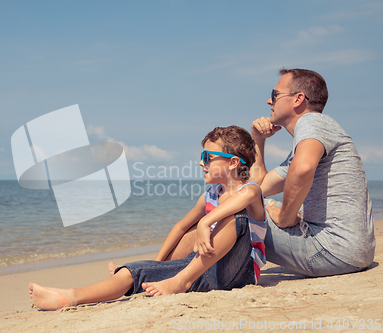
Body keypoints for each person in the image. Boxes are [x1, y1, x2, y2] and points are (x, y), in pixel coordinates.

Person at [29, 126, 266, 310]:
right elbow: (180, 226)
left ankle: (180, 282)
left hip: (238, 273)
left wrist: (205, 222)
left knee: (234, 218)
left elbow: (241, 203)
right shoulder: (210, 196)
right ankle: (70, 296)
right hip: (200, 268)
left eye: (208, 156)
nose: (201, 162)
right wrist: (157, 264)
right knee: (135, 271)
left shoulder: (251, 191)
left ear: (233, 163)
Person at [249, 68, 375, 277]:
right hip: (351, 251)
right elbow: (258, 187)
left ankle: (181, 272)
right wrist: (257, 139)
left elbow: (303, 168)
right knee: (248, 203)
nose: (269, 101)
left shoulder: (313, 122)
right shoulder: (308, 144)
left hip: (332, 251)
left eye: (275, 95)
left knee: (229, 208)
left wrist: (284, 217)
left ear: (298, 99)